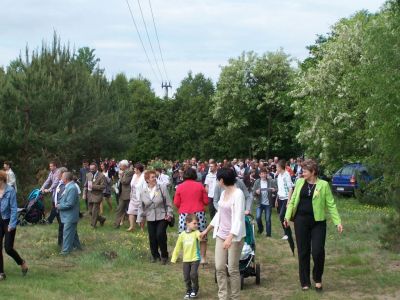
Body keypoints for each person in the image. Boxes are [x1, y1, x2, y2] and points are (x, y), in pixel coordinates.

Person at [284, 159, 343, 291]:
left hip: (318, 223)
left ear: (313, 172)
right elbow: (292, 201)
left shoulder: (324, 185)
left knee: (317, 251)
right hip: (301, 221)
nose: (302, 173)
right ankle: (305, 282)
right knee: (303, 252)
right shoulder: (299, 182)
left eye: (305, 171)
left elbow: (331, 205)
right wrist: (287, 216)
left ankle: (317, 278)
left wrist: (337, 221)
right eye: (302, 170)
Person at [201, 168, 245, 300]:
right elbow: (219, 215)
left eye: (217, 179)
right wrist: (206, 230)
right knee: (219, 267)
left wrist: (230, 238)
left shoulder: (238, 194)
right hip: (221, 234)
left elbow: (238, 218)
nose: (217, 182)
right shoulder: (223, 193)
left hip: (234, 237)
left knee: (232, 269)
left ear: (222, 180)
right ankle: (223, 296)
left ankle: (235, 297)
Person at [137, 170, 173, 265]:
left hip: (163, 216)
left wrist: (169, 213)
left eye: (155, 177)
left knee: (160, 234)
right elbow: (141, 206)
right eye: (152, 177)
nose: (155, 179)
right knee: (152, 237)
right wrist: (139, 219)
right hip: (150, 217)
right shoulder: (143, 191)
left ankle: (164, 256)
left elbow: (169, 202)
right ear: (147, 180)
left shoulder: (162, 188)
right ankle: (155, 255)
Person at [174, 168, 209, 265]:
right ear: (195, 176)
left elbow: (176, 202)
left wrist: (182, 207)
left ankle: (187, 257)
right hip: (199, 214)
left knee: (185, 236)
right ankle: (202, 258)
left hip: (185, 215)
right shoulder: (200, 186)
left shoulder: (180, 187)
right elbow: (206, 201)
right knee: (202, 236)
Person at [0, 171, 28, 280]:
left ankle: (21, 262)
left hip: (8, 221)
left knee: (8, 248)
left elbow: (13, 209)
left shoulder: (10, 191)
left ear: (2, 180)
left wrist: (12, 224)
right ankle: (1, 273)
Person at [171, 214, 202, 299]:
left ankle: (195, 290)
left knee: (193, 274)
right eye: (194, 223)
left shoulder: (196, 232)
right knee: (186, 277)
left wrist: (202, 236)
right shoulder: (182, 235)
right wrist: (174, 258)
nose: (196, 225)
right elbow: (177, 247)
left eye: (197, 223)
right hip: (186, 260)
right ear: (187, 223)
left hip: (195, 258)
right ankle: (188, 291)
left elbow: (200, 237)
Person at [58, 172, 82, 255]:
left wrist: (59, 206)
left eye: (62, 177)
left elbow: (70, 203)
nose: (60, 179)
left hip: (70, 216)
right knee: (73, 233)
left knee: (67, 233)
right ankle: (78, 248)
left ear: (65, 179)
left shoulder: (71, 188)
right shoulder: (69, 186)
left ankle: (65, 251)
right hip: (69, 215)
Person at [252, 168, 277, 237]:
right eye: (262, 174)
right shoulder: (257, 182)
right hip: (259, 203)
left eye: (265, 173)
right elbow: (253, 192)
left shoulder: (271, 181)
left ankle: (268, 234)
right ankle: (260, 229)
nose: (263, 175)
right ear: (259, 175)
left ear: (266, 174)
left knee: (268, 219)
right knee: (258, 217)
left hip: (268, 204)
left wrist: (274, 190)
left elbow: (276, 189)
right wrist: (256, 192)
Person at [47, 167, 68, 248]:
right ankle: (61, 243)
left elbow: (63, 197)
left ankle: (62, 244)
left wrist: (59, 205)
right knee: (61, 226)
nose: (57, 175)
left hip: (61, 208)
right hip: (57, 207)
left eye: (58, 173)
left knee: (62, 227)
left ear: (63, 174)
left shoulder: (64, 185)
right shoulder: (59, 183)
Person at [275, 160, 294, 240]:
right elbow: (279, 189)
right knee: (282, 217)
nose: (276, 168)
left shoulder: (287, 175)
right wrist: (276, 199)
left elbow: (290, 189)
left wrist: (288, 201)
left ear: (280, 167)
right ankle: (287, 233)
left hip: (286, 199)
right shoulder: (279, 175)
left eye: (277, 167)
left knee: (282, 216)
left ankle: (288, 234)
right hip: (280, 198)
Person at [83, 163, 106, 228]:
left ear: (96, 168)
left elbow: (103, 186)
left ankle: (93, 225)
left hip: (97, 196)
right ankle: (102, 219)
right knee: (90, 212)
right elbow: (85, 185)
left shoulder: (101, 176)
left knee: (95, 211)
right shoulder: (88, 175)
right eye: (90, 169)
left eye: (93, 169)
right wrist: (84, 194)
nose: (91, 170)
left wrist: (93, 186)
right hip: (90, 196)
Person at [114, 160, 134, 228]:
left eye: (121, 165)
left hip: (128, 194)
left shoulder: (130, 172)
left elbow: (125, 181)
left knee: (131, 210)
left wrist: (121, 176)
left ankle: (137, 223)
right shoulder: (123, 172)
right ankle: (116, 224)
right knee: (119, 209)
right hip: (122, 194)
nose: (119, 166)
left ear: (125, 166)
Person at [126, 163, 146, 232]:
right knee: (131, 211)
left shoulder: (144, 177)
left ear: (138, 170)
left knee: (142, 213)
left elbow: (145, 187)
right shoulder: (134, 176)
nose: (134, 170)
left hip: (141, 197)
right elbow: (131, 185)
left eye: (135, 168)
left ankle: (142, 228)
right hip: (133, 196)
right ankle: (132, 226)